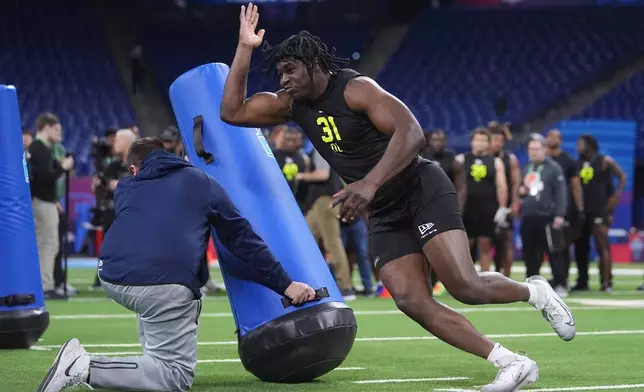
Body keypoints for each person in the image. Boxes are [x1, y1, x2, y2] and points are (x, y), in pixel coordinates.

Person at [219, 5, 576, 390]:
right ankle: (511, 362)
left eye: (290, 69)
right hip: (382, 211)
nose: (284, 79)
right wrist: (244, 47)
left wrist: (369, 184)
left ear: (313, 63)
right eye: (281, 72)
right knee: (409, 299)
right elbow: (232, 112)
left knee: (464, 286)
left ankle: (535, 292)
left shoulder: (356, 88)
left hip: (420, 188)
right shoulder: (293, 104)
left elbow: (412, 131)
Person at [36, 137, 315, 392]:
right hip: (162, 283)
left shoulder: (125, 187)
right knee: (174, 377)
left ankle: (147, 365)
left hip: (111, 276)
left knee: (152, 306)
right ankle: (84, 366)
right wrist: (285, 284)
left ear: (134, 169)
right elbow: (242, 240)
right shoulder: (200, 181)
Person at [296, 150, 356, 300]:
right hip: (318, 200)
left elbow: (323, 174)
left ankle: (345, 287)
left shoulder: (319, 149)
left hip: (325, 200)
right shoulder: (328, 148)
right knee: (304, 242)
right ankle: (305, 281)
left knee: (332, 242)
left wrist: (301, 176)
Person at [28, 112, 74, 299]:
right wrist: (63, 167)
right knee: (48, 244)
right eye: (56, 129)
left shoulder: (37, 149)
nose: (59, 134)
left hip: (43, 201)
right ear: (45, 128)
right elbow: (46, 179)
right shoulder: (40, 149)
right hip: (42, 203)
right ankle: (46, 285)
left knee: (45, 243)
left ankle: (44, 283)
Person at [574, 134, 626, 292]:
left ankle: (606, 281)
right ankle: (582, 282)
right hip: (582, 212)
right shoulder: (579, 163)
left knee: (602, 246)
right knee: (580, 248)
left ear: (589, 145)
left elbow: (622, 176)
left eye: (580, 144)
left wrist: (616, 196)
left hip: (599, 210)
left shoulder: (604, 160)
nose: (578, 147)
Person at [518, 134, 569, 296]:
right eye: (531, 149)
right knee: (530, 252)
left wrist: (559, 214)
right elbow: (522, 190)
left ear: (544, 150)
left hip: (547, 216)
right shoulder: (526, 168)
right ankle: (532, 283)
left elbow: (561, 193)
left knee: (553, 251)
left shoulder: (554, 168)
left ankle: (560, 283)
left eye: (537, 149)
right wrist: (521, 191)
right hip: (529, 215)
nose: (533, 152)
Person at [419, 128, 465, 295]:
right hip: (424, 208)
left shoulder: (452, 159)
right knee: (426, 249)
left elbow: (460, 186)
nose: (437, 142)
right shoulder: (422, 157)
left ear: (445, 141)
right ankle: (428, 283)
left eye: (440, 139)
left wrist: (457, 207)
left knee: (445, 249)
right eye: (435, 139)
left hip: (445, 208)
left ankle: (449, 281)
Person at [456, 128, 509, 272]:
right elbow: (453, 184)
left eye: (483, 140)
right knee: (466, 244)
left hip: (487, 208)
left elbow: (501, 186)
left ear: (488, 143)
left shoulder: (496, 162)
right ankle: (462, 278)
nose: (480, 143)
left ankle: (485, 278)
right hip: (466, 208)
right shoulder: (461, 160)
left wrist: (502, 208)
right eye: (477, 140)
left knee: (485, 243)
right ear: (471, 142)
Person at [546, 129, 584, 289]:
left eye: (554, 137)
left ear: (560, 140)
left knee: (563, 245)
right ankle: (556, 277)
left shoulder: (568, 160)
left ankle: (563, 278)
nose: (551, 139)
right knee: (549, 246)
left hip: (564, 208)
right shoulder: (544, 160)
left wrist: (580, 207)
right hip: (546, 209)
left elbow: (575, 184)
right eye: (549, 136)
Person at [488, 122, 521, 277]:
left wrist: (514, 202)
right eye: (495, 140)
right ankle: (487, 277)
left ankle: (507, 277)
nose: (498, 143)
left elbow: (515, 183)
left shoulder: (510, 159)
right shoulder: (482, 158)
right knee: (485, 242)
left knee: (506, 242)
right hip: (486, 205)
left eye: (500, 140)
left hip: (504, 206)